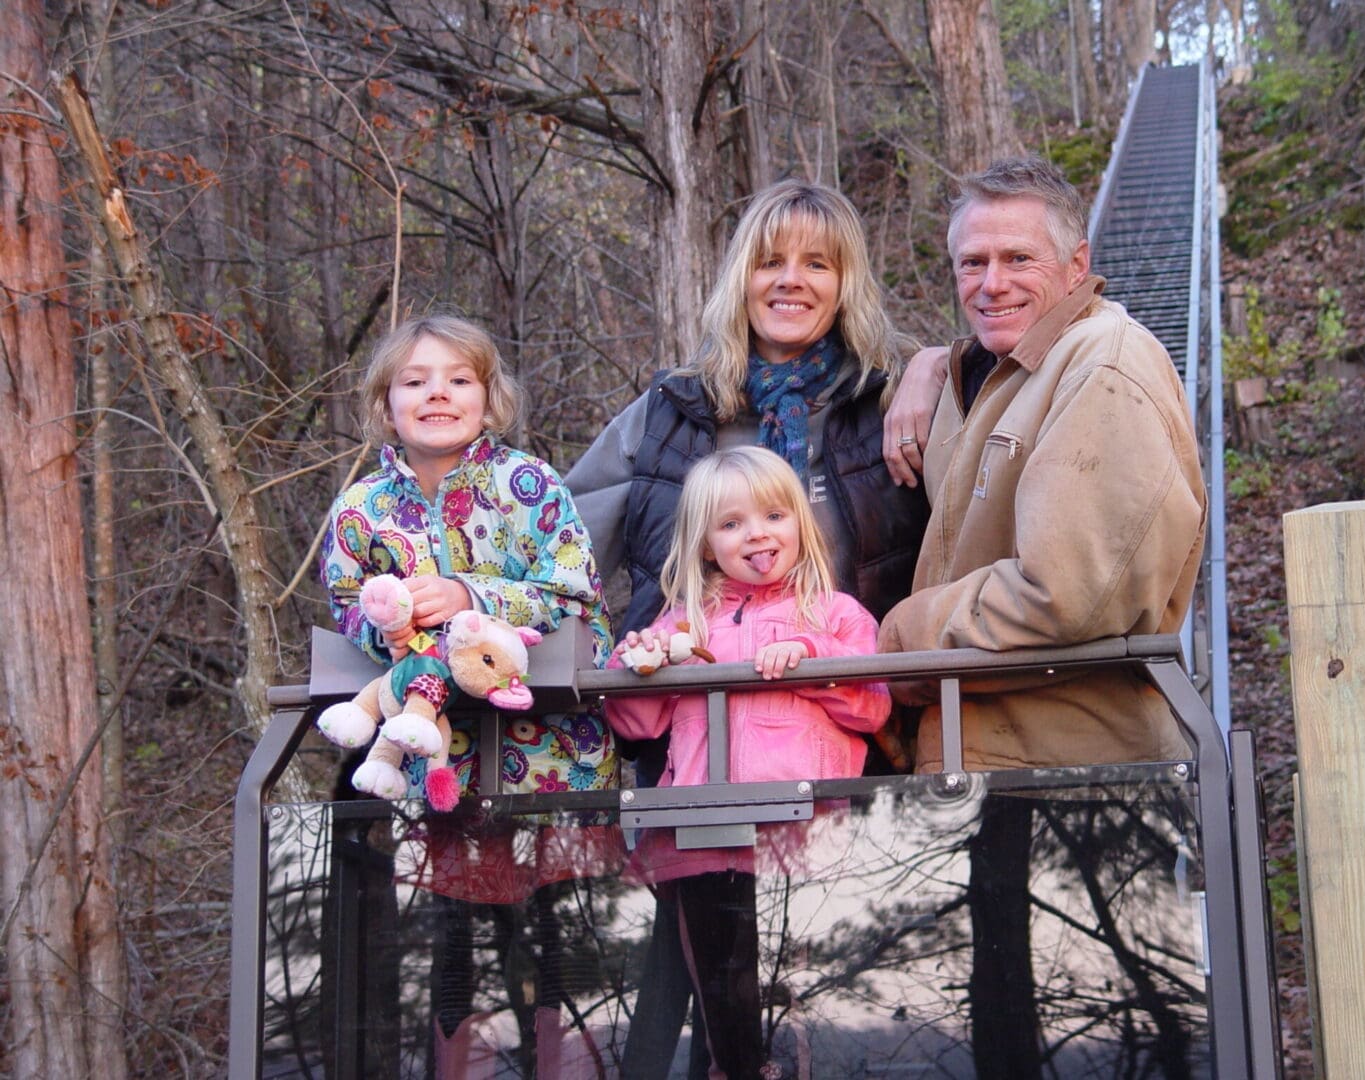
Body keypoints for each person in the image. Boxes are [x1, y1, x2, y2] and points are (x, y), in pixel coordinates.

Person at [565, 179, 927, 1077]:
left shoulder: (891, 408)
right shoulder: (672, 414)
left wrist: (929, 367)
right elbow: (559, 544)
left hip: (843, 753)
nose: (791, 280)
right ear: (741, 277)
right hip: (688, 750)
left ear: (847, 283)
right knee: (681, 996)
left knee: (830, 995)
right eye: (770, 260)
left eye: (818, 262)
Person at [318, 314, 619, 1073]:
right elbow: (345, 602)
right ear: (386, 402)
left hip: (550, 761)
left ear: (490, 397)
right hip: (434, 768)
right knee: (452, 934)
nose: (437, 394)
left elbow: (575, 593)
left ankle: (569, 1060)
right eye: (415, 382)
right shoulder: (360, 509)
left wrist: (468, 594)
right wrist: (380, 630)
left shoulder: (530, 485)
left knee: (559, 934)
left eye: (458, 379)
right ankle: (460, 1061)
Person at [877, 157, 1207, 772]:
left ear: (1077, 265)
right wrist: (927, 362)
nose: (991, 283)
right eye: (973, 263)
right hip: (981, 762)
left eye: (1018, 259)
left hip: (1070, 773)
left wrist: (898, 640)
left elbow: (1066, 594)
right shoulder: (992, 373)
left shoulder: (1105, 367)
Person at [604, 446, 891, 1079]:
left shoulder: (834, 614)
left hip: (805, 836)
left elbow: (872, 706)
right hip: (703, 834)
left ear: (800, 525)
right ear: (707, 546)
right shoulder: (686, 623)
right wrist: (634, 668)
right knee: (723, 991)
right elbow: (636, 725)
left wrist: (809, 655)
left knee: (805, 984)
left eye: (773, 515)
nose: (757, 533)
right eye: (731, 524)